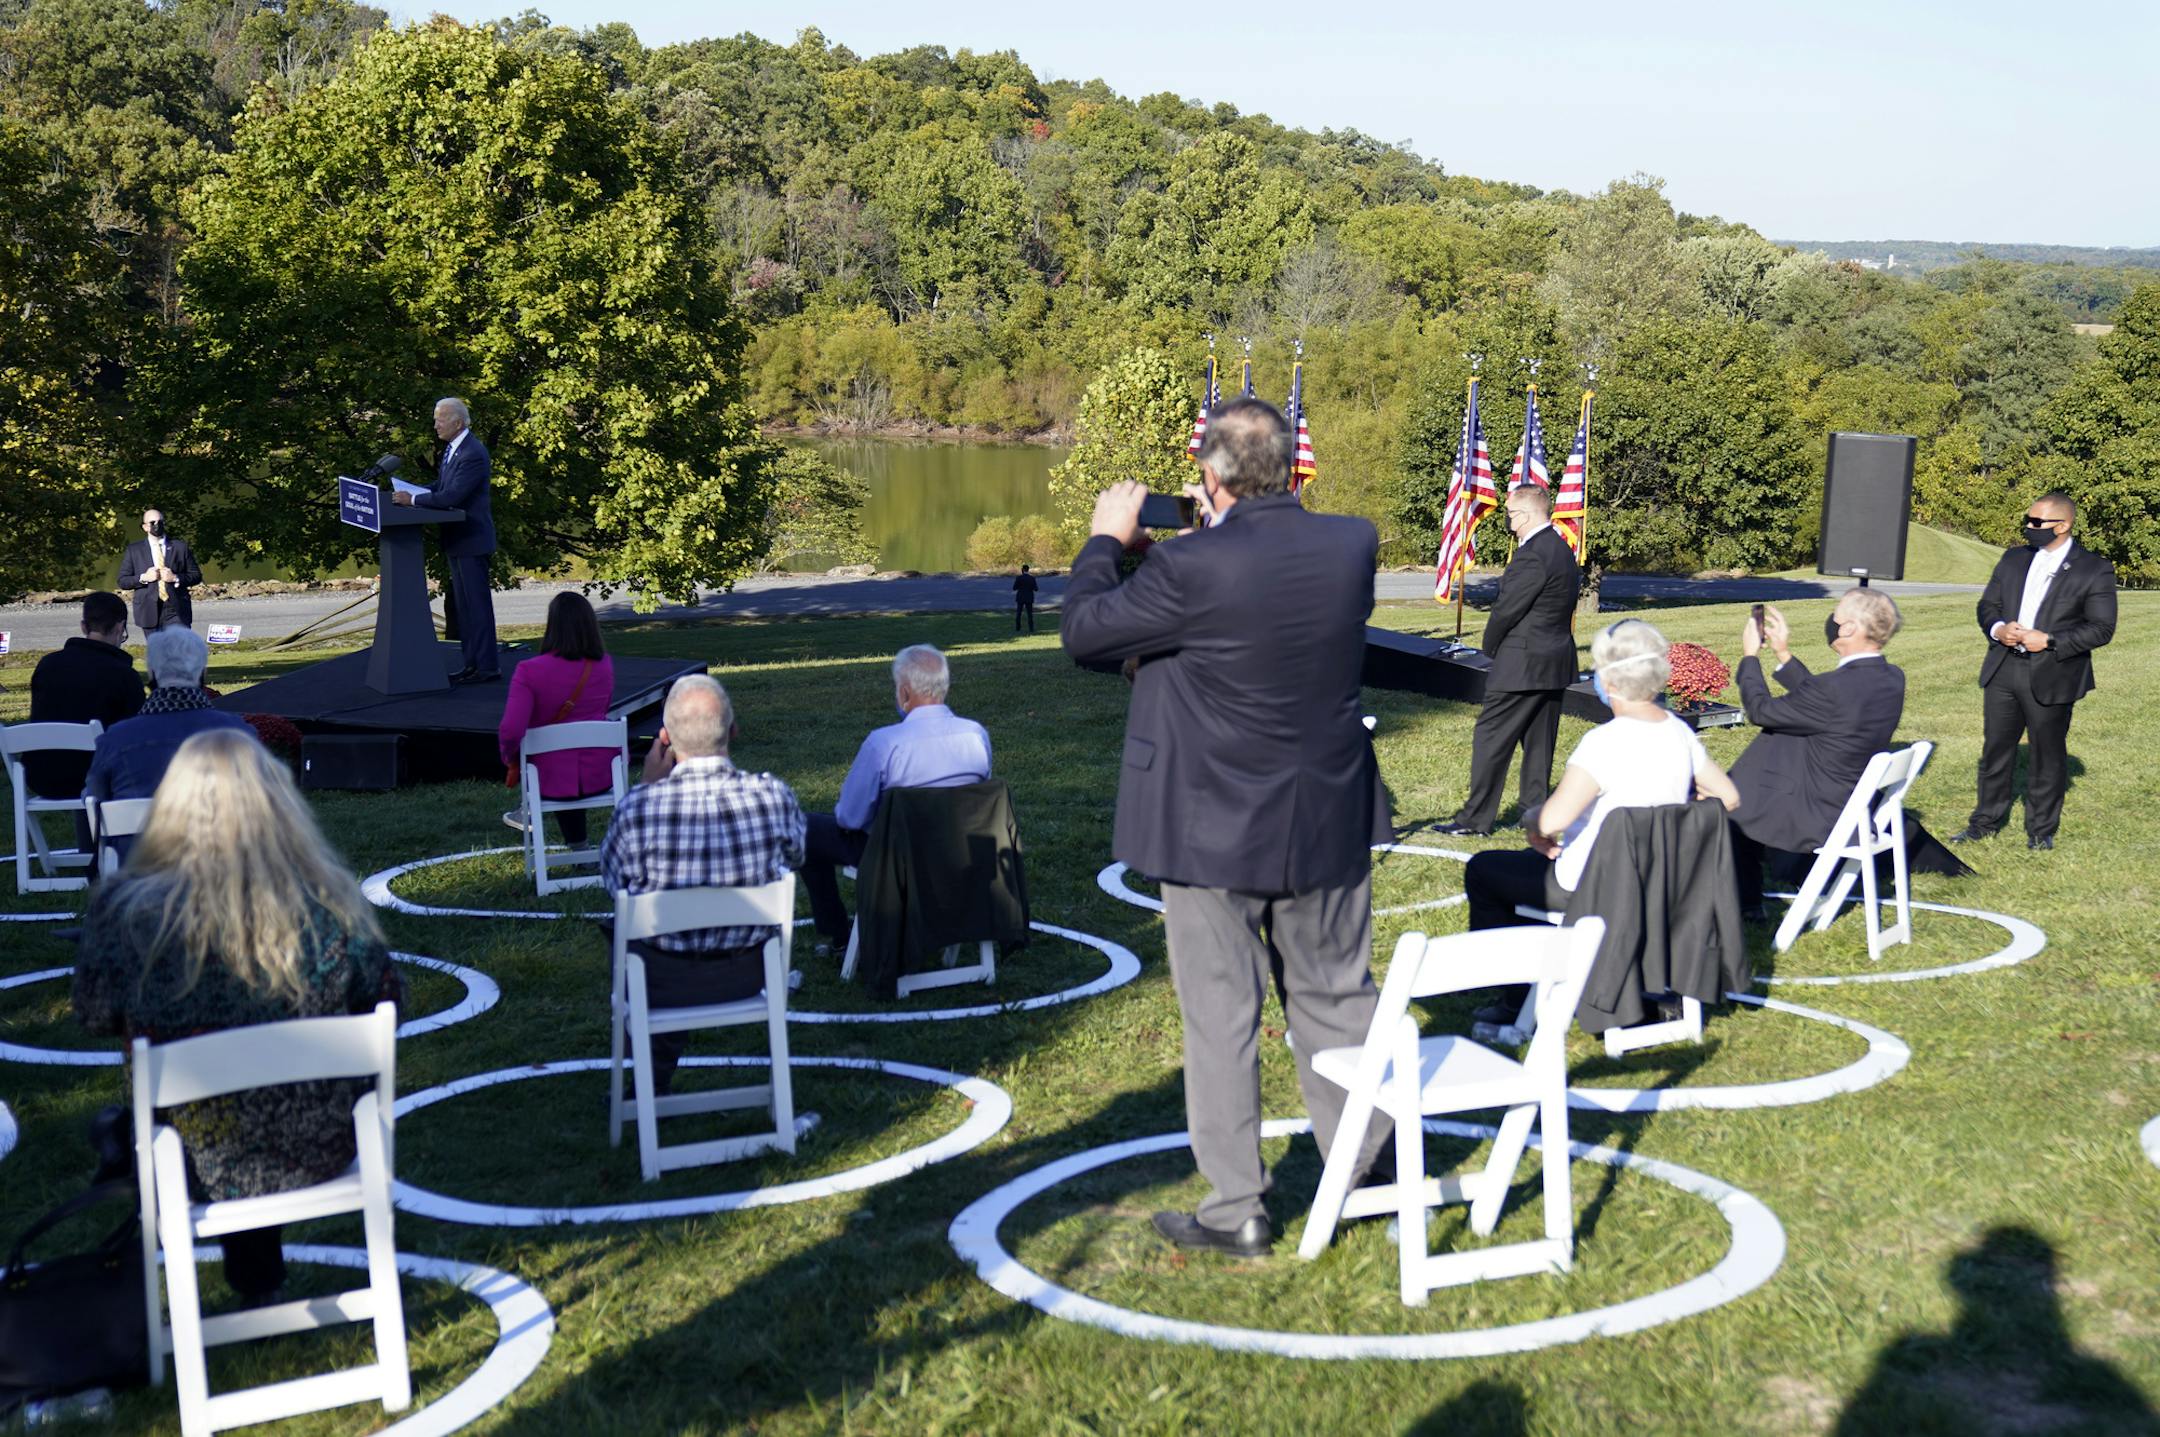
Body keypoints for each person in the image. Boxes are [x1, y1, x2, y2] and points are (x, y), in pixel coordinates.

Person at [1061, 397, 1392, 1260]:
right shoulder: (1351, 544)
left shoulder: (1190, 569)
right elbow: (1251, 623)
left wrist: (1107, 544)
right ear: (1289, 468)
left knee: (1222, 1012)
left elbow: (1087, 635)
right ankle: (1368, 1167)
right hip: (1326, 811)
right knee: (1335, 995)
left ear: (1209, 478)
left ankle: (1237, 1205)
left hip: (1209, 826)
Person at [73, 728, 403, 1304]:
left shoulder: (124, 914)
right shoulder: (328, 904)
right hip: (322, 1142)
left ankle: (124, 1146)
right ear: (277, 804)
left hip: (191, 1153)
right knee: (245, 1097)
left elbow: (94, 1013)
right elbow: (387, 1000)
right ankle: (259, 1276)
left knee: (198, 1109)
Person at [599, 675, 805, 1094]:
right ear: (732, 730)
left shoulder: (639, 810)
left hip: (662, 981)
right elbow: (796, 857)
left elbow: (614, 881)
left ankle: (642, 1085)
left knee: (624, 930)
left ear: (665, 739)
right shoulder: (773, 797)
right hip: (749, 974)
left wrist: (645, 788)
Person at [1464, 620, 1740, 932]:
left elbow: (1553, 821)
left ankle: (1511, 978)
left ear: (1609, 682)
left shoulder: (1603, 743)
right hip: (1658, 879)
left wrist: (1531, 822)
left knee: (1483, 870)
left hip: (1591, 884)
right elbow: (1728, 797)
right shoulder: (1680, 733)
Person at [1949, 492, 2117, 851]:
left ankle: (2041, 831)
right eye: (2027, 520)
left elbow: (2102, 628)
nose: (2029, 527)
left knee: (2047, 754)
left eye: (2036, 523)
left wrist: (2051, 640)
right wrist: (1997, 629)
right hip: (2004, 668)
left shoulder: (2093, 568)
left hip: (2053, 672)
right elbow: (1988, 605)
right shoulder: (2013, 559)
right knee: (1995, 750)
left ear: (2064, 525)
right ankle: (1984, 823)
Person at [800, 645, 992, 953]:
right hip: (959, 852)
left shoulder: (885, 743)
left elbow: (850, 817)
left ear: (904, 692)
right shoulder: (976, 735)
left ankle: (838, 933)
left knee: (806, 828)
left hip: (894, 857)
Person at [1726, 589, 1906, 918]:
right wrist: (1782, 653)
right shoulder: (1891, 677)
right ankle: (1747, 902)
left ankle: (1745, 904)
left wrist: (1749, 657)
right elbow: (1828, 704)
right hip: (1850, 802)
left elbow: (1761, 711)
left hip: (1818, 811)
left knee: (1728, 804)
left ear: (1849, 628)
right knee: (1744, 790)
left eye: (1836, 616)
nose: (1831, 622)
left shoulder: (1834, 689)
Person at [1436, 482, 1581, 837]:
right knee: (1538, 744)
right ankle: (1534, 812)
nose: (1509, 522)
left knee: (1491, 739)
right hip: (1554, 661)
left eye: (1512, 515)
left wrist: (1491, 647)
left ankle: (1475, 820)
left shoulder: (1532, 554)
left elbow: (1506, 611)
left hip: (1522, 661)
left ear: (1528, 514)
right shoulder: (1563, 549)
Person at [83, 627, 253, 804]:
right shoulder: (239, 733)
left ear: (151, 673)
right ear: (203, 673)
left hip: (138, 831)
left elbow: (94, 800)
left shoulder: (114, 740)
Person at [393, 396, 498, 683]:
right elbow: (440, 486)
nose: (435, 424)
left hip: (472, 539)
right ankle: (471, 664)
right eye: (435, 418)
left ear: (457, 422)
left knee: (477, 606)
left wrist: (413, 498)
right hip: (457, 539)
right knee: (464, 608)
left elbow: (452, 496)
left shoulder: (472, 453)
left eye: (440, 419)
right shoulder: (454, 449)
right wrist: (411, 491)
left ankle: (487, 667)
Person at [499, 591, 617, 844]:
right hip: (602, 774)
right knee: (569, 761)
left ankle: (536, 816)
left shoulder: (529, 671)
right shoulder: (604, 665)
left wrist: (510, 759)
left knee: (559, 765)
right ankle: (579, 848)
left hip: (549, 779)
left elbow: (511, 729)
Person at [24, 591, 145, 803]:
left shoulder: (47, 665)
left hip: (41, 775)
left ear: (83, 626)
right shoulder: (123, 675)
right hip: (96, 779)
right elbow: (136, 733)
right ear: (120, 627)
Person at [117, 507, 202, 635]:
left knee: (178, 649)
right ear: (145, 527)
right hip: (148, 609)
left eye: (160, 522)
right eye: (152, 523)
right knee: (157, 652)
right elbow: (123, 581)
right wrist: (144, 577)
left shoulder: (180, 547)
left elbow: (196, 575)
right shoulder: (134, 550)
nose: (157, 525)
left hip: (175, 608)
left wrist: (175, 578)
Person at [1013, 564, 1038, 633]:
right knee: (1029, 614)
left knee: (1019, 613)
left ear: (1023, 570)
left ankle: (1018, 628)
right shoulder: (1032, 578)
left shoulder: (1019, 578)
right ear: (1028, 570)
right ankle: (1031, 628)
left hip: (1020, 597)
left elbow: (1014, 588)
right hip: (1029, 597)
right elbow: (1036, 589)